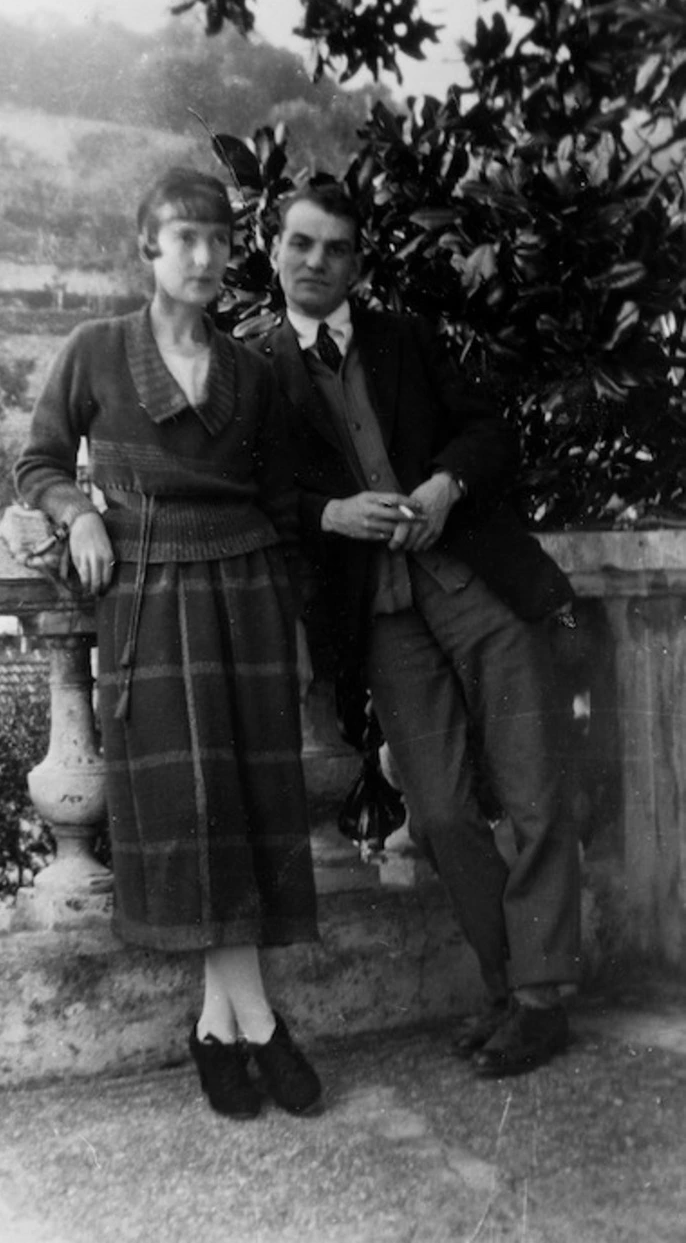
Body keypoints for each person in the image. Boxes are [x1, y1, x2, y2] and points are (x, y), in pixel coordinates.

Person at [15, 167, 322, 1120]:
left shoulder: (254, 371)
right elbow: (35, 460)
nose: (202, 256)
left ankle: (218, 1027)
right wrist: (76, 511)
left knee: (251, 802)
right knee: (191, 808)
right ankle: (260, 1023)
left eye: (218, 240)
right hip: (149, 598)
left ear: (234, 254)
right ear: (148, 249)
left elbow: (279, 501)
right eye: (182, 239)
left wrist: (296, 621)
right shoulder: (94, 350)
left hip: (248, 591)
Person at [256, 182, 582, 1078]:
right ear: (274, 249)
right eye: (301, 243)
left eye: (336, 248)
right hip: (385, 615)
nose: (316, 261)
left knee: (533, 791)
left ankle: (540, 999)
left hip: (477, 583)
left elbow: (489, 431)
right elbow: (261, 496)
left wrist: (444, 485)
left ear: (357, 262)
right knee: (436, 813)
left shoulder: (410, 338)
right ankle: (514, 985)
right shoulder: (258, 369)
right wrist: (331, 514)